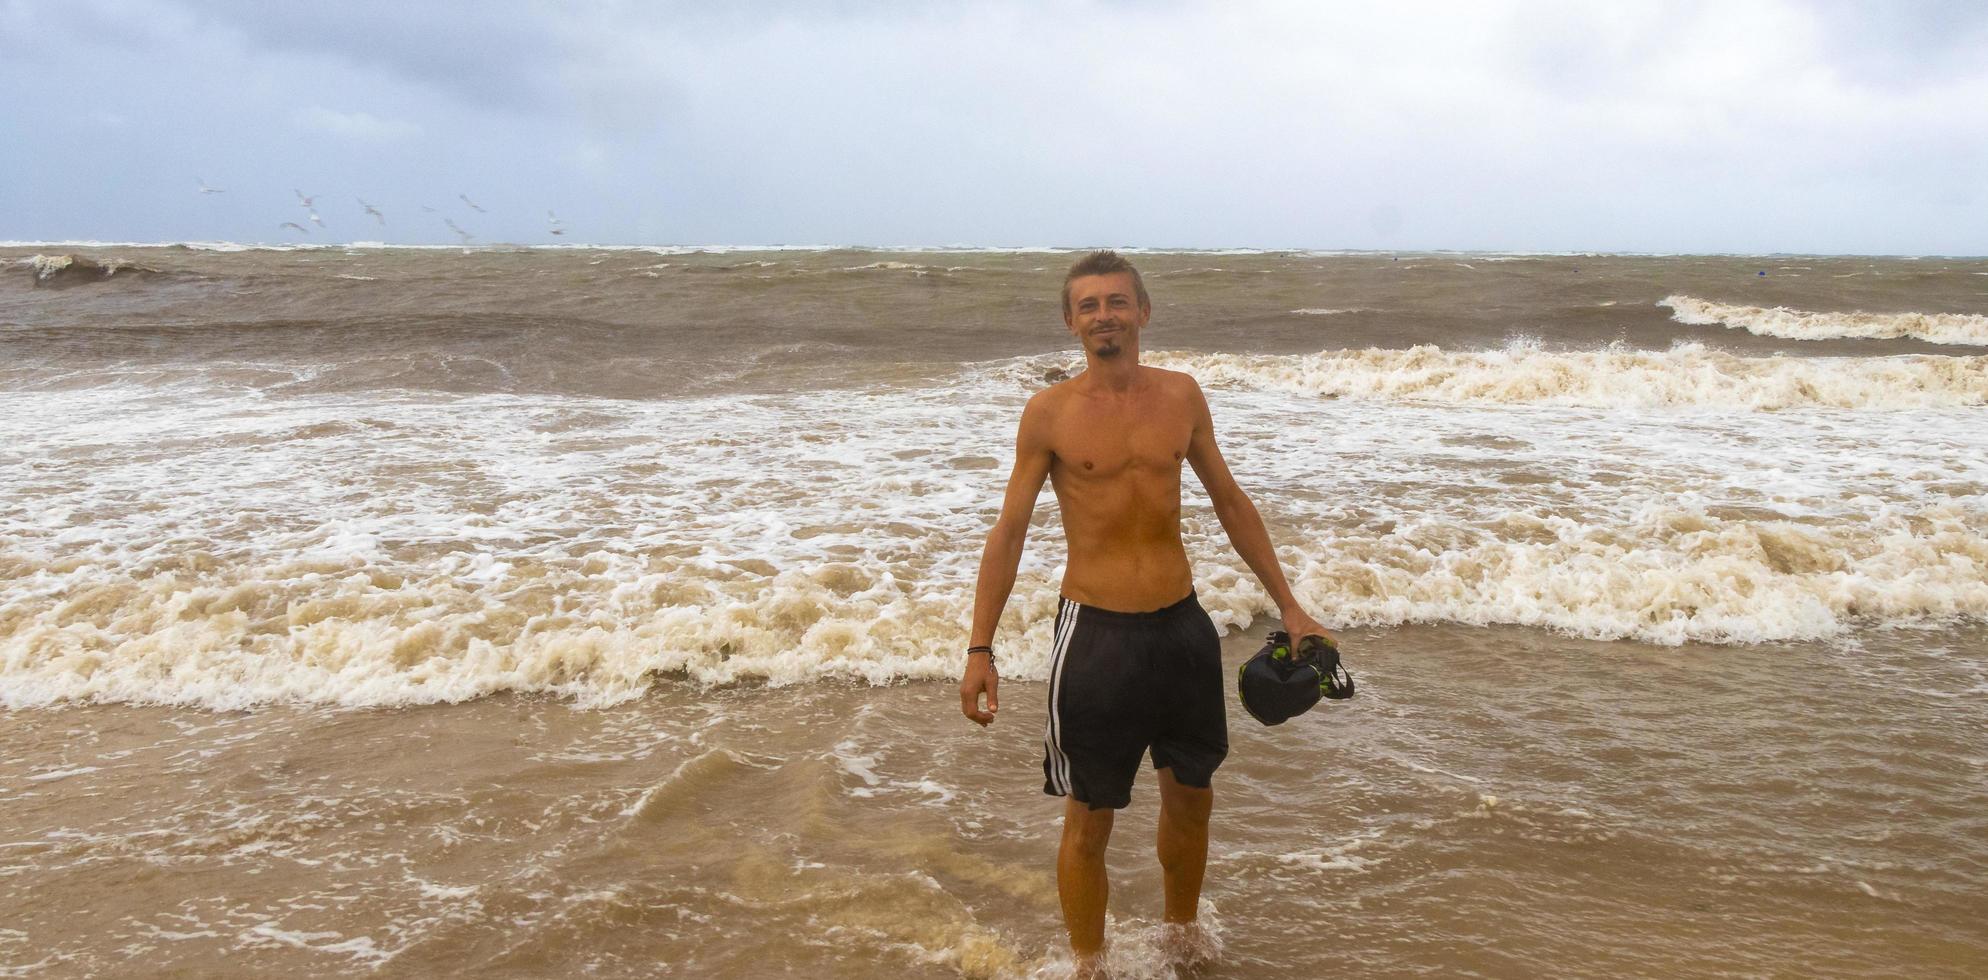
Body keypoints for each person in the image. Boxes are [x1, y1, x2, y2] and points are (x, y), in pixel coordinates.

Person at [958, 249, 1334, 974]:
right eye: (1090, 305)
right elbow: (1008, 531)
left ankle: (1183, 941)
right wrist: (981, 648)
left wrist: (1292, 606)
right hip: (1095, 639)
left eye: (1117, 302)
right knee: (1089, 818)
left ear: (1144, 311)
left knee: (1193, 797)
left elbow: (1229, 500)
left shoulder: (1182, 396)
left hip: (1182, 630)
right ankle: (1089, 966)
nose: (1106, 316)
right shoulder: (1050, 414)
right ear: (1071, 322)